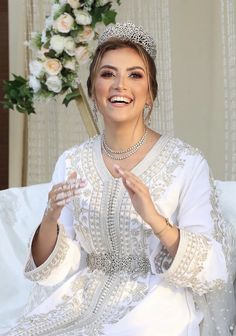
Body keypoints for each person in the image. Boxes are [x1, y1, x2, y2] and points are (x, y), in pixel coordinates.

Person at [5, 22, 235, 336]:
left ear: (150, 92)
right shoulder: (72, 160)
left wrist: (154, 219)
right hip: (81, 298)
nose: (120, 85)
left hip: (157, 304)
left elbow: (212, 268)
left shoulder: (187, 162)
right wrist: (50, 217)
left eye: (135, 75)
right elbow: (56, 271)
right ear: (92, 89)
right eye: (108, 74)